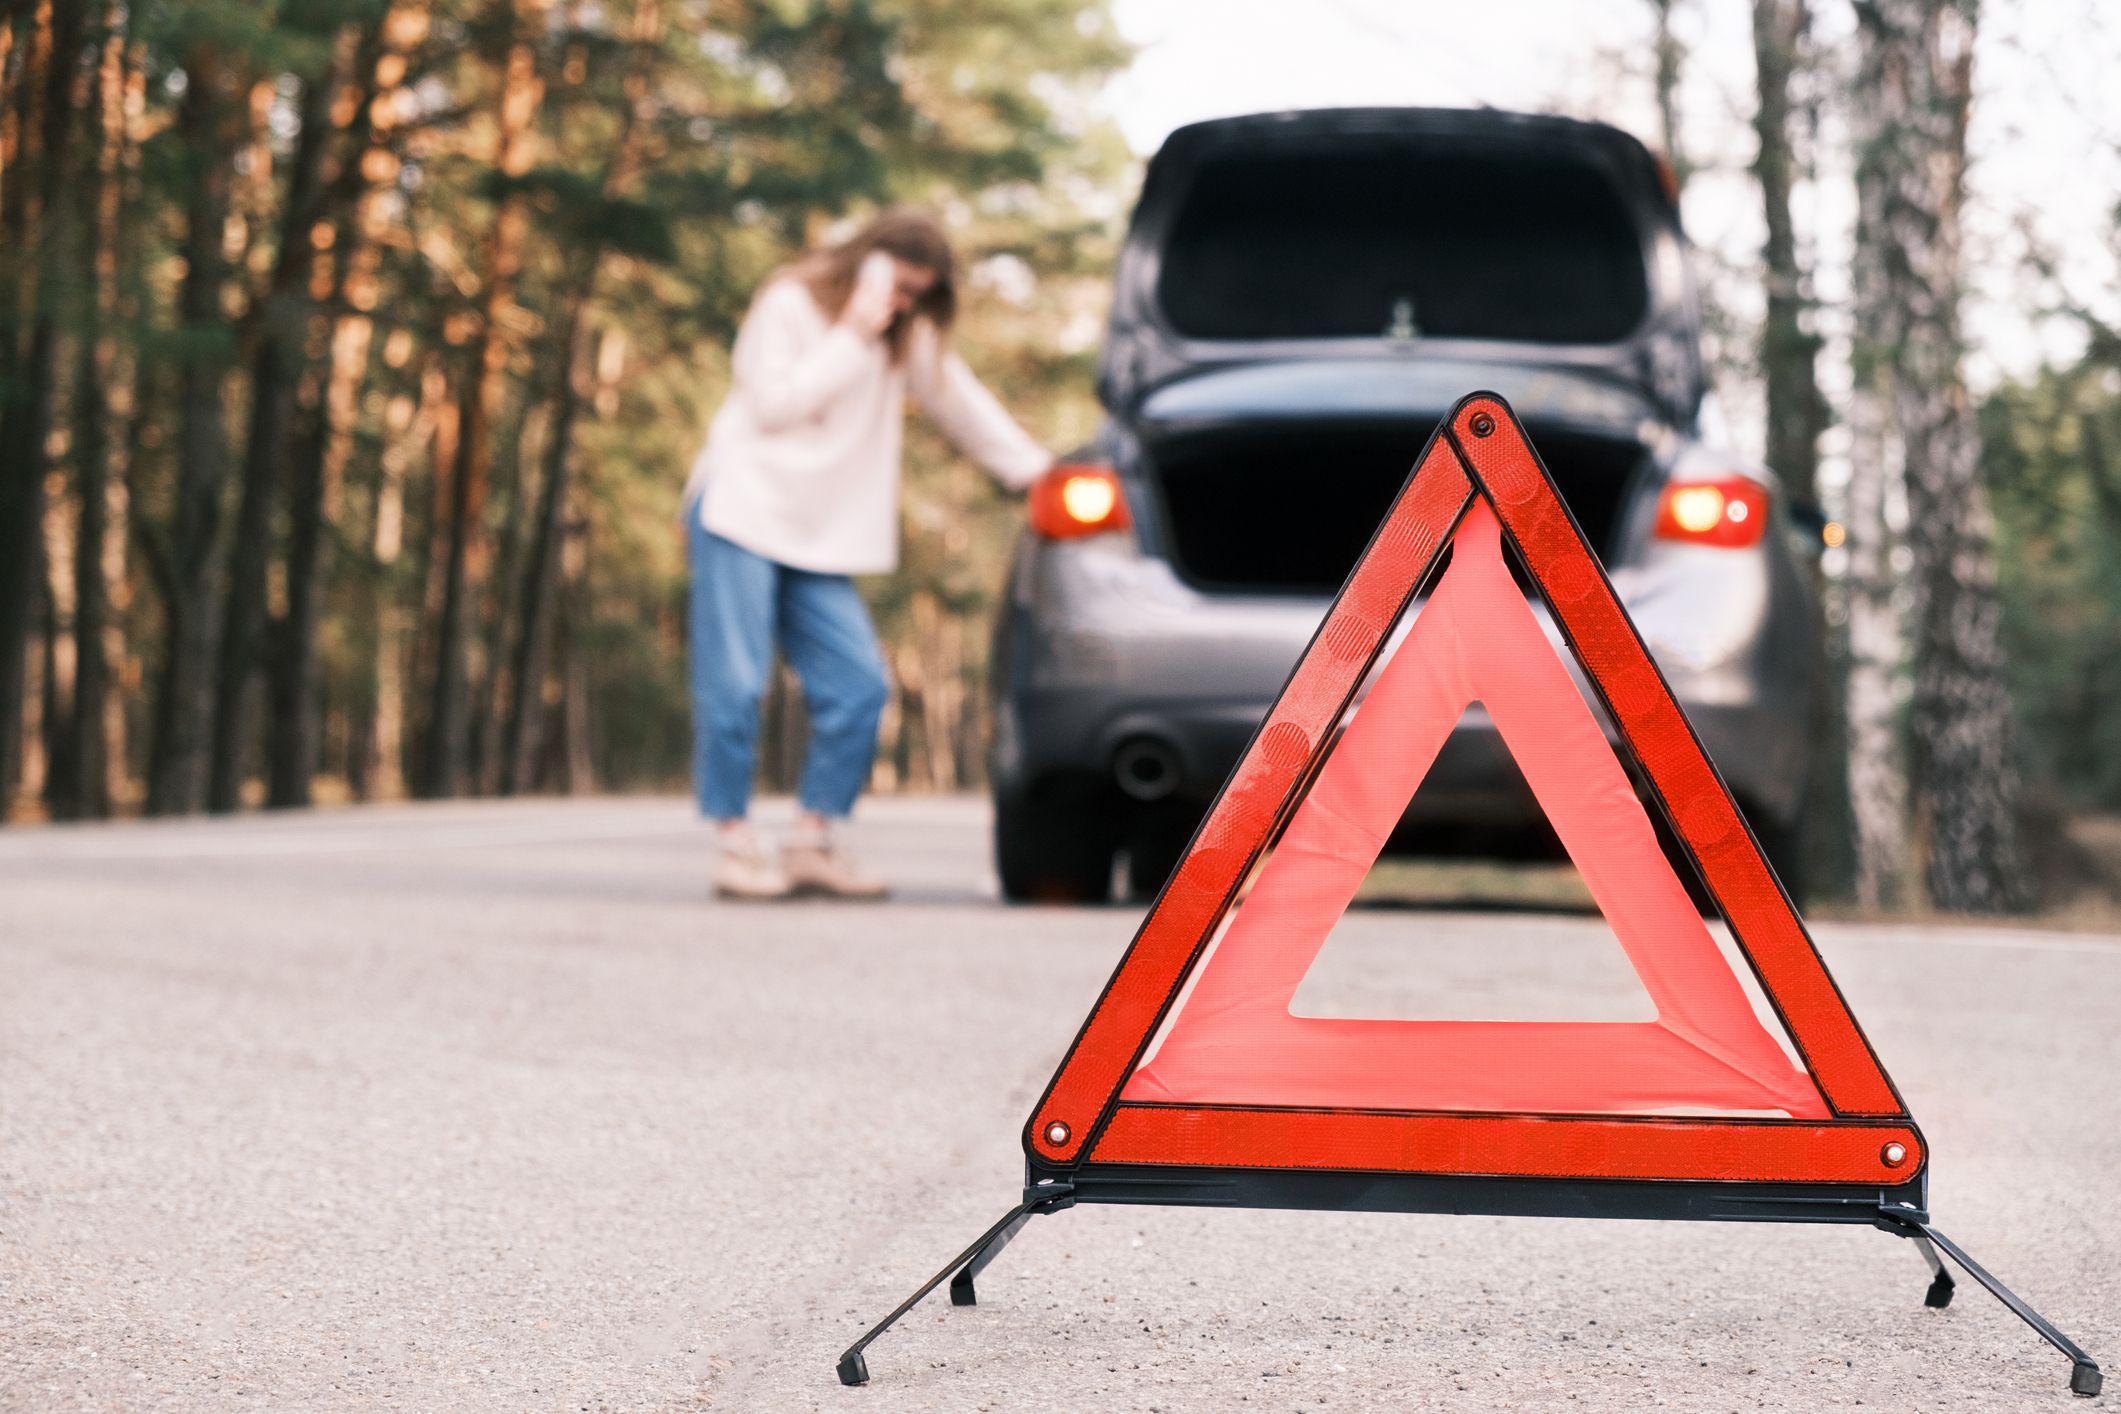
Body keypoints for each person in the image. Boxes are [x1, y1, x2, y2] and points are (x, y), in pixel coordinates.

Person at [679, 209, 1053, 900]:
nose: (902, 304)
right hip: (741, 509)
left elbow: (961, 406)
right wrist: (851, 331)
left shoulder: (901, 337)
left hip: (816, 533)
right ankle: (734, 844)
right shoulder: (790, 302)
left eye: (917, 293)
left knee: (858, 685)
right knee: (734, 683)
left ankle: (809, 841)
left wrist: (1037, 474)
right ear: (864, 263)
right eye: (896, 286)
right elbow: (772, 406)